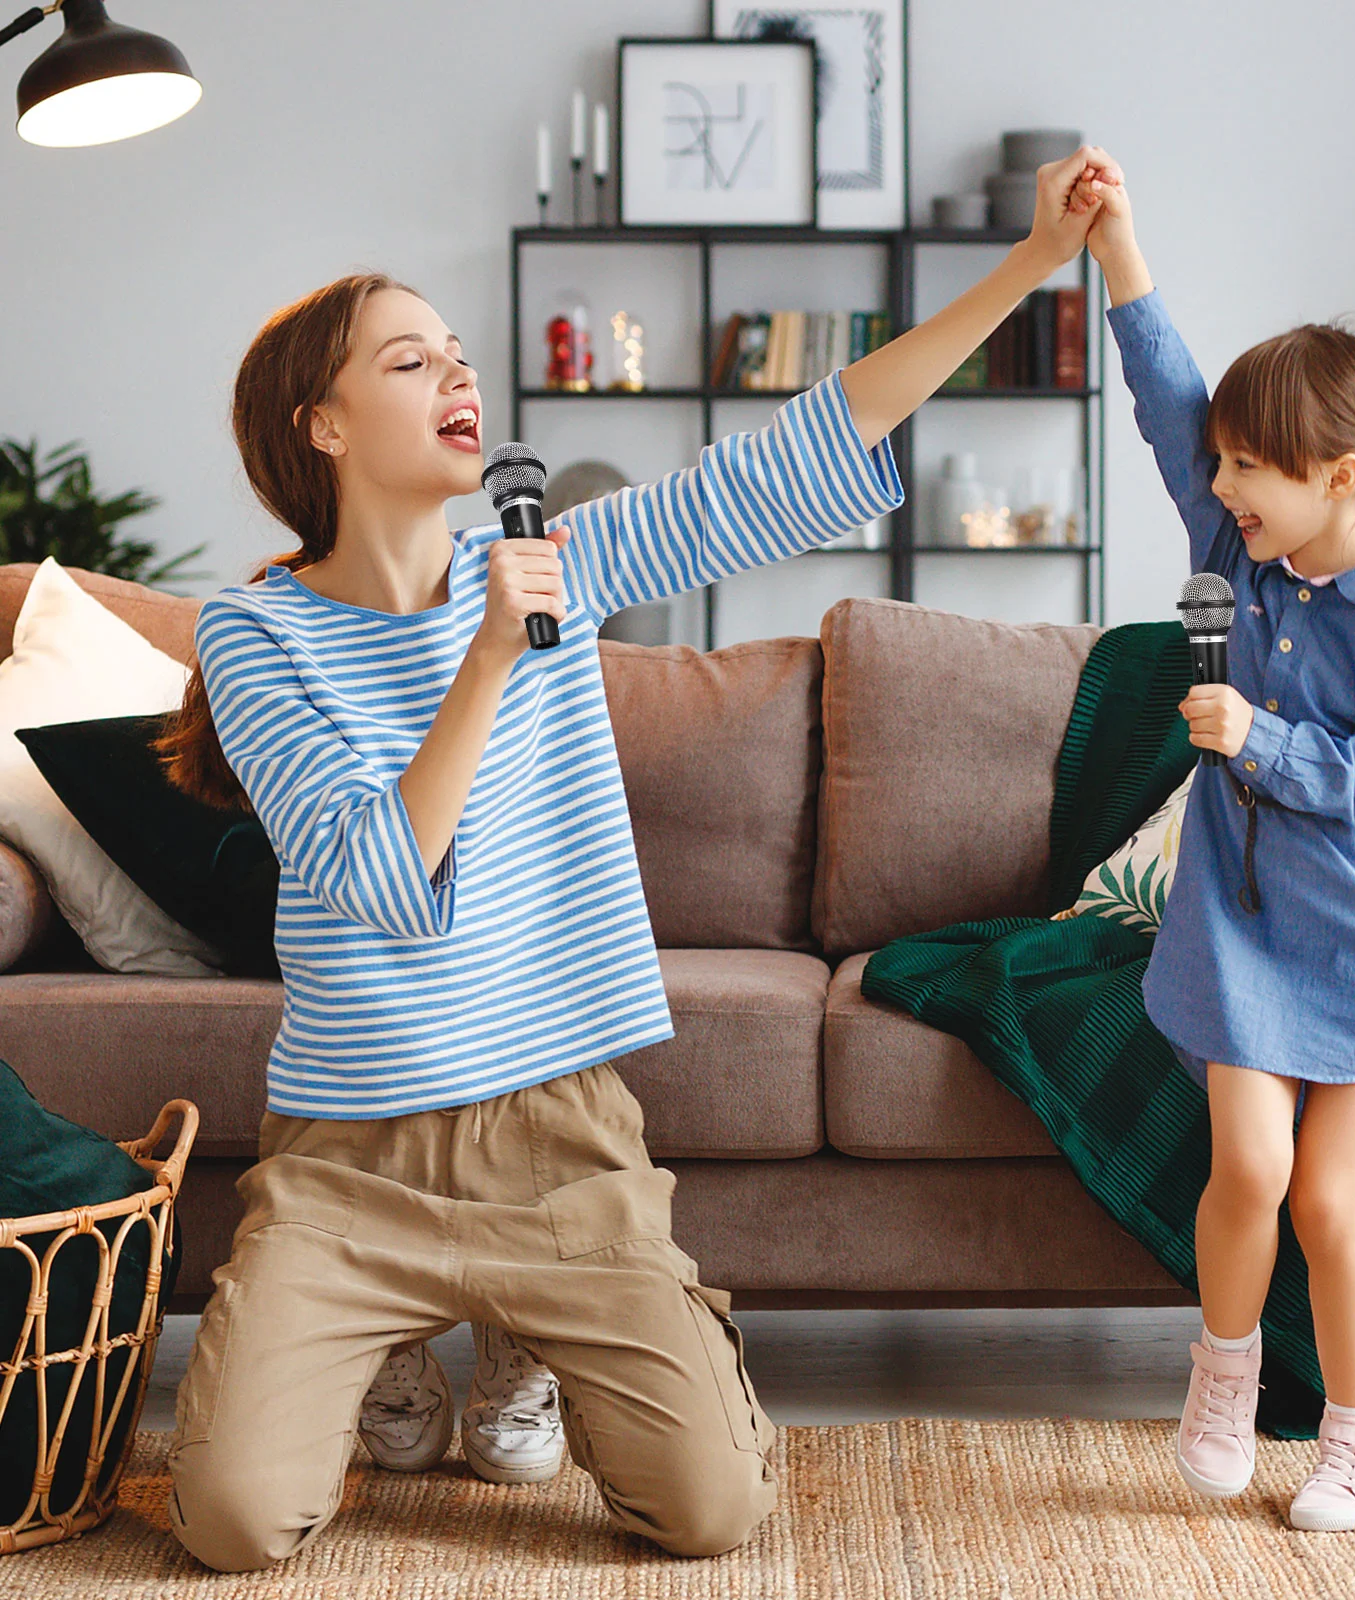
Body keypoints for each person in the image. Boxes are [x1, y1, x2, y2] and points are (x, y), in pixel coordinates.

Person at [152, 147, 1117, 1571]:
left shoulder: (565, 561)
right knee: (230, 1522)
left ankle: (533, 1336)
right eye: (411, 362)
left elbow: (787, 465)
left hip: (558, 1139)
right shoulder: (258, 635)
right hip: (352, 1157)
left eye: (460, 356)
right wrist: (489, 656)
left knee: (712, 1512)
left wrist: (1033, 266)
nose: (457, 380)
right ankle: (398, 1345)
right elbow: (373, 876)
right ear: (326, 427)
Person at [1065, 151, 1355, 1531]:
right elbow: (1167, 397)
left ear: (1343, 474)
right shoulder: (1239, 550)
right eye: (1230, 463)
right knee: (1245, 1167)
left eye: (1254, 466)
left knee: (1327, 1203)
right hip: (1234, 928)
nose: (1226, 479)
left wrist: (1256, 736)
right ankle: (1223, 1375)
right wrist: (1117, 242)